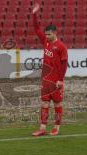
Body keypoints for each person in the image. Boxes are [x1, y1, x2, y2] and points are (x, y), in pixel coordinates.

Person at [31, 3, 68, 136]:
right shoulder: (46, 43)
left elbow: (64, 65)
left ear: (55, 33)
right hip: (46, 80)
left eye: (49, 34)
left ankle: (56, 128)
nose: (46, 36)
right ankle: (42, 128)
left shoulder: (61, 47)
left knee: (57, 105)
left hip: (56, 81)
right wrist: (34, 14)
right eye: (45, 34)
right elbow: (36, 29)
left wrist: (60, 80)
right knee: (44, 104)